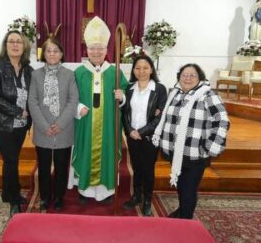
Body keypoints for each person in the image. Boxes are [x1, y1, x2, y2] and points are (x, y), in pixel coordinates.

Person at [152, 63, 230, 219]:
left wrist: (210, 147)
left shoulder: (208, 95)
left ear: (200, 78)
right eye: (184, 75)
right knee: (182, 186)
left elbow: (222, 121)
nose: (187, 78)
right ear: (179, 78)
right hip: (177, 153)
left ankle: (185, 219)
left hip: (195, 153)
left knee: (188, 189)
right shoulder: (175, 94)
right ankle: (182, 211)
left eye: (192, 75)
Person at [68, 16, 129, 203]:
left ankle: (106, 192)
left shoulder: (115, 72)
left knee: (107, 153)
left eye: (99, 48)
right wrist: (78, 108)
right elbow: (70, 97)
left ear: (106, 50)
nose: (96, 52)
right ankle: (84, 190)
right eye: (92, 48)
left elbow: (126, 93)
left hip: (108, 125)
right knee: (85, 151)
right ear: (87, 50)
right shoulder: (78, 72)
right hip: (85, 124)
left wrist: (123, 96)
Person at [0, 30, 33, 217]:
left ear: (24, 46)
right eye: (11, 41)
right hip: (1, 122)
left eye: (18, 42)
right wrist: (17, 111)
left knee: (10, 159)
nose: (15, 45)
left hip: (21, 124)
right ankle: (13, 200)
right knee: (11, 159)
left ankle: (7, 193)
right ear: (6, 45)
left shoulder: (27, 68)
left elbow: (35, 95)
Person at [28, 38, 79, 211]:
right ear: (44, 54)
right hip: (43, 130)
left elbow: (73, 101)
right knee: (43, 166)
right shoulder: (35, 75)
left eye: (56, 50)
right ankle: (45, 197)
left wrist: (60, 124)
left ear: (61, 53)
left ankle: (58, 197)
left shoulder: (70, 75)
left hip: (63, 129)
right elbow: (32, 102)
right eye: (49, 50)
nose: (52, 54)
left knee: (61, 165)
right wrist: (44, 126)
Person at [121, 54, 167, 216]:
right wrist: (130, 131)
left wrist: (141, 132)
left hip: (149, 138)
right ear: (133, 70)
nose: (141, 71)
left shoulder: (159, 89)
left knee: (148, 169)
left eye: (145, 68)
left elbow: (160, 116)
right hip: (132, 137)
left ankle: (147, 199)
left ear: (151, 69)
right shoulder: (129, 88)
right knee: (136, 167)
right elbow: (124, 113)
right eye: (138, 68)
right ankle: (136, 196)